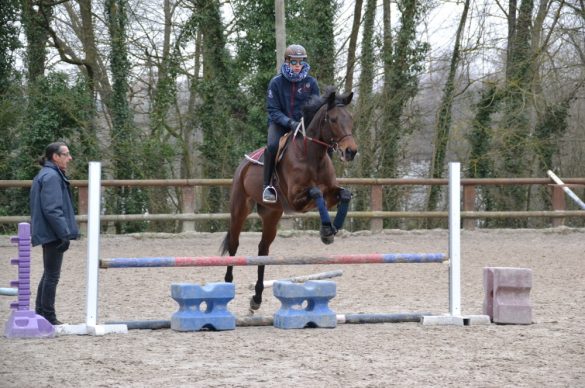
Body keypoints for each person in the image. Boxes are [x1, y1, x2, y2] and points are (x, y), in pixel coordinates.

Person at [263, 44, 320, 203]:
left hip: (303, 125)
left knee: (322, 144)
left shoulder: (311, 83)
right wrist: (290, 122)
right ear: (287, 62)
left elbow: (316, 108)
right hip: (279, 124)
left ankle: (323, 180)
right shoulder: (276, 83)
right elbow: (273, 110)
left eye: (300, 62)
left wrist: (305, 123)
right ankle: (267, 186)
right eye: (293, 62)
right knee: (273, 145)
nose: (297, 66)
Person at [30, 141, 79, 325]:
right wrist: (64, 234)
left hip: (49, 230)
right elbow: (52, 209)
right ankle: (48, 316)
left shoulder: (48, 174)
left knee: (49, 273)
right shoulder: (51, 176)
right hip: (52, 232)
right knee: (52, 275)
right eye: (66, 154)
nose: (70, 158)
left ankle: (41, 312)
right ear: (55, 157)